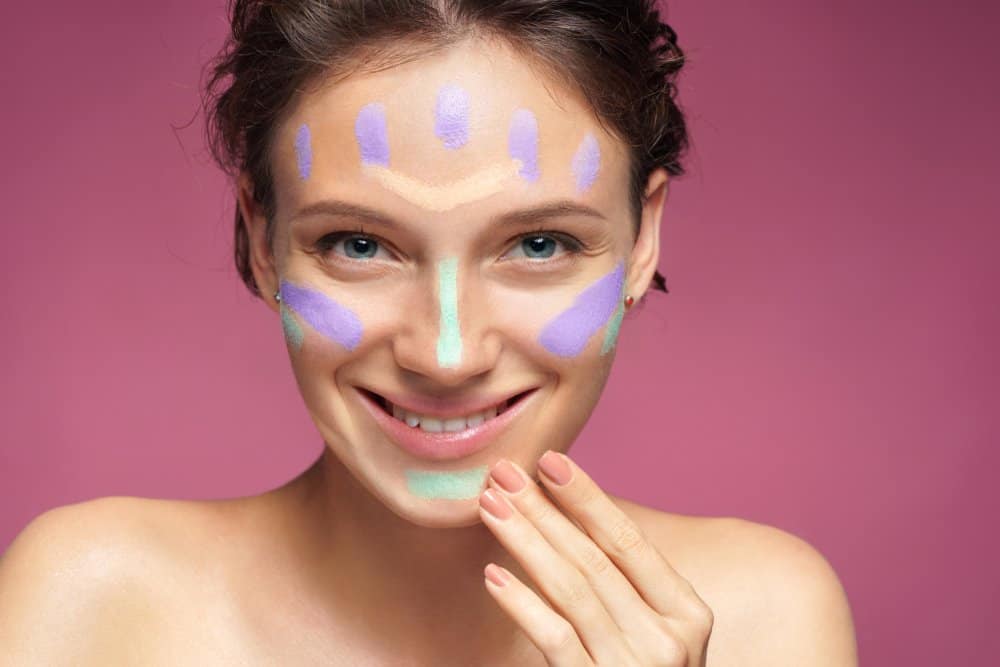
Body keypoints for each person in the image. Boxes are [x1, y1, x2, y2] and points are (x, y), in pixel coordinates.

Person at [0, 0, 857, 664]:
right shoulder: (90, 602)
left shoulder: (761, 616)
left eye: (537, 244)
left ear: (644, 240)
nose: (446, 354)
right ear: (262, 241)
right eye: (360, 244)